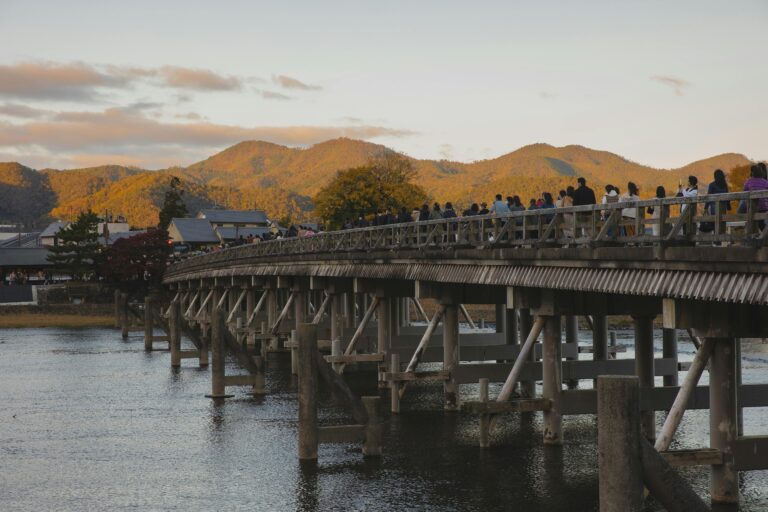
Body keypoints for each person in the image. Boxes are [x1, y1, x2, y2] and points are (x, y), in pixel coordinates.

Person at [702, 169, 730, 235]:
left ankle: (716, 241)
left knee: (714, 223)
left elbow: (708, 197)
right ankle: (721, 240)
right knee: (722, 223)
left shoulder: (712, 185)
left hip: (714, 207)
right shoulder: (725, 185)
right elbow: (728, 196)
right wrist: (728, 207)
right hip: (723, 207)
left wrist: (705, 208)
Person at [744, 164, 768, 230]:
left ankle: (758, 236)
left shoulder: (749, 181)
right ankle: (763, 235)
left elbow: (745, 190)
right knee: (761, 223)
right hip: (764, 207)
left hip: (752, 207)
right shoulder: (765, 182)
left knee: (754, 223)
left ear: (752, 173)